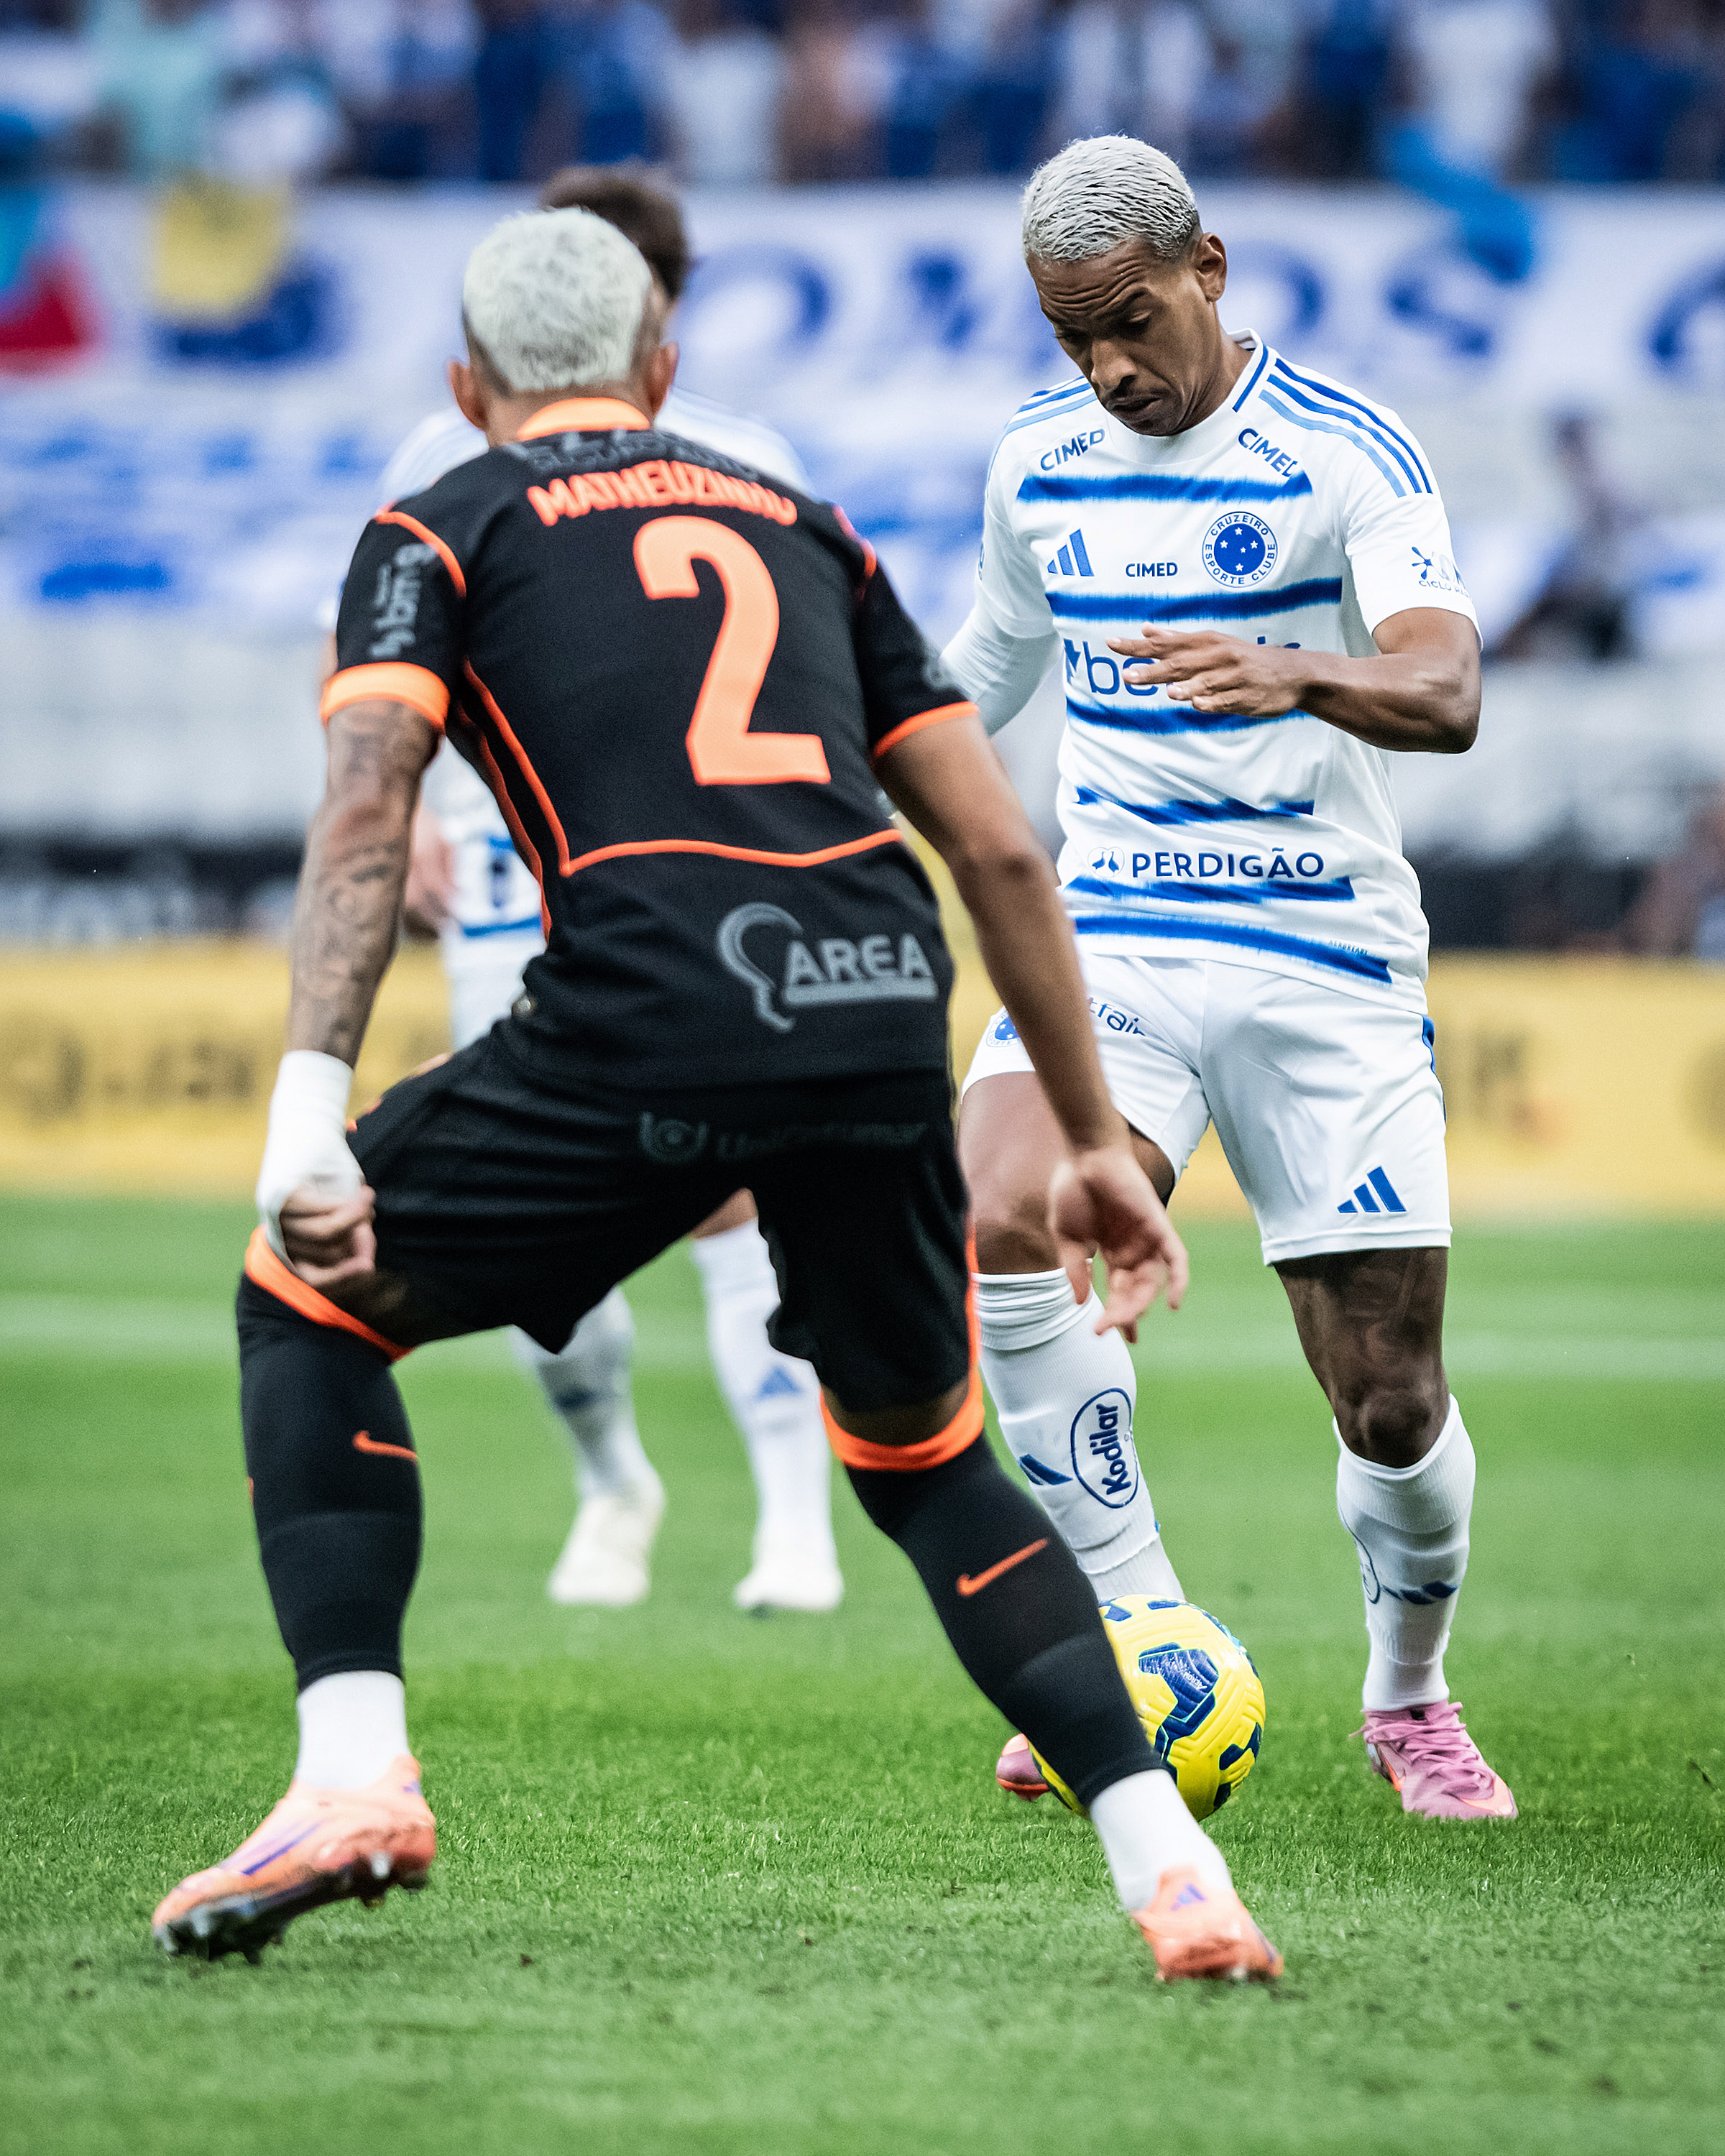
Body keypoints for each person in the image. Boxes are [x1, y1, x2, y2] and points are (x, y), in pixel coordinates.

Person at [150, 208, 1282, 1983]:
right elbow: (993, 841)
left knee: (305, 1293)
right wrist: (1087, 1139)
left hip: (654, 1000)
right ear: (660, 369)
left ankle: (351, 1773)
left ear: (465, 389)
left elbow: (370, 807)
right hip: (874, 1004)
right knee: (922, 1462)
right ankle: (1176, 1878)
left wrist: (309, 1101)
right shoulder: (802, 522)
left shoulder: (437, 520)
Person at [945, 136, 1516, 1824]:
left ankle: (1408, 1697)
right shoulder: (1038, 463)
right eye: (1072, 342)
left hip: (1325, 954)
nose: (1110, 368)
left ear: (1208, 263)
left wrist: (1290, 668)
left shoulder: (1348, 451)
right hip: (1112, 936)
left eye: (1129, 320)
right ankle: (1136, 1630)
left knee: (1391, 1397)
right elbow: (980, 673)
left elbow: (1451, 683)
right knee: (997, 1212)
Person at [374, 165, 843, 1617]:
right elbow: (376, 674)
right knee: (533, 1230)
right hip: (509, 872)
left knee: (729, 1186)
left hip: (694, 872)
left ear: (662, 313)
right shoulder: (431, 462)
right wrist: (398, 820)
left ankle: (792, 1526)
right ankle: (612, 1480)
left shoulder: (746, 452)